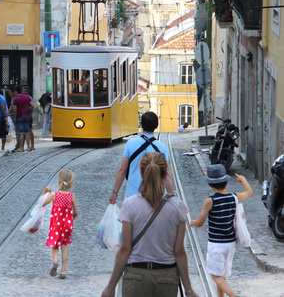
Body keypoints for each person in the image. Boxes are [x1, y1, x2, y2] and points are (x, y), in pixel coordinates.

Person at [102, 153, 199, 297]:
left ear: (141, 174)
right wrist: (189, 290)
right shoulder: (178, 207)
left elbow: (125, 250)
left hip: (136, 277)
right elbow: (179, 252)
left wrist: (111, 286)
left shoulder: (130, 205)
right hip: (166, 277)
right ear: (165, 174)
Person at [190, 165, 253, 297]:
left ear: (211, 184)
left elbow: (200, 222)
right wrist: (243, 179)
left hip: (216, 244)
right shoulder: (234, 197)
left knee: (216, 277)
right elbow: (249, 193)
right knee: (222, 276)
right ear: (226, 181)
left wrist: (193, 222)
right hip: (230, 243)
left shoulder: (210, 201)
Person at [110, 111, 173, 202]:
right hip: (154, 196)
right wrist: (172, 197)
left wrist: (115, 192)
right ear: (156, 126)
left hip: (132, 195)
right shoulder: (162, 147)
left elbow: (122, 170)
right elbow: (166, 175)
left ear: (141, 124)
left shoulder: (130, 144)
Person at [42, 169, 79, 280]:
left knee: (55, 245)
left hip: (56, 225)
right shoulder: (71, 196)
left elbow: (42, 204)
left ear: (59, 181)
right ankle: (63, 271)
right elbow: (76, 212)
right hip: (67, 225)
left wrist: (44, 192)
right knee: (64, 245)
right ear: (71, 182)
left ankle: (55, 261)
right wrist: (70, 219)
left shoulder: (55, 195)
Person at [12, 86, 35, 152]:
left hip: (19, 117)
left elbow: (15, 110)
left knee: (21, 133)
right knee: (27, 132)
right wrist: (29, 110)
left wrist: (14, 117)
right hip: (27, 116)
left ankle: (21, 147)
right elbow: (33, 106)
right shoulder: (27, 97)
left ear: (16, 92)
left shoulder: (16, 99)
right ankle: (28, 147)